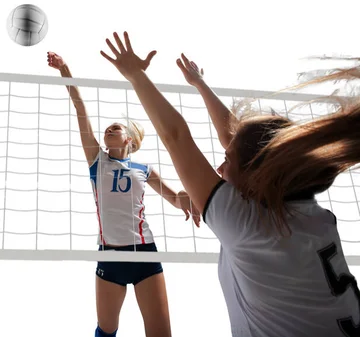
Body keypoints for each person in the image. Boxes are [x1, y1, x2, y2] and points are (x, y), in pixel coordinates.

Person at [100, 31, 360, 337]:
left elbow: (176, 137)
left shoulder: (246, 225)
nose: (220, 169)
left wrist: (136, 76)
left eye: (227, 160)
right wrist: (199, 84)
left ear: (257, 176)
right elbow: (243, 143)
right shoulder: (308, 211)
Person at [47, 51, 200, 337]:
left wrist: (189, 197)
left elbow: (174, 198)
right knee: (106, 331)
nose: (109, 129)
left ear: (129, 139)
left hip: (144, 253)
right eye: (107, 128)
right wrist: (65, 68)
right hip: (110, 255)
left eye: (116, 128)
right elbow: (80, 108)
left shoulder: (143, 167)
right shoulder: (97, 159)